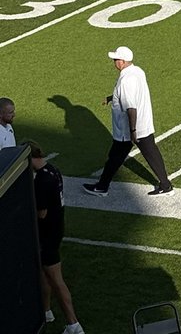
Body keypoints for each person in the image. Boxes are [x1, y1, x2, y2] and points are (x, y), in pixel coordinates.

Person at [82, 47, 173, 197]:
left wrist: (132, 132)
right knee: (150, 153)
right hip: (143, 124)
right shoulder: (138, 71)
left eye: (116, 59)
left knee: (115, 157)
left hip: (128, 130)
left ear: (122, 61)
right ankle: (166, 185)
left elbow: (131, 107)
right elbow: (129, 94)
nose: (114, 62)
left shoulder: (125, 80)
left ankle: (102, 187)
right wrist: (111, 98)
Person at [28, 142, 85, 334]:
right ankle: (46, 311)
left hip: (47, 235)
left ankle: (73, 324)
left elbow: (41, 213)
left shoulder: (41, 180)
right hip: (56, 228)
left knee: (56, 280)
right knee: (45, 274)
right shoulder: (53, 170)